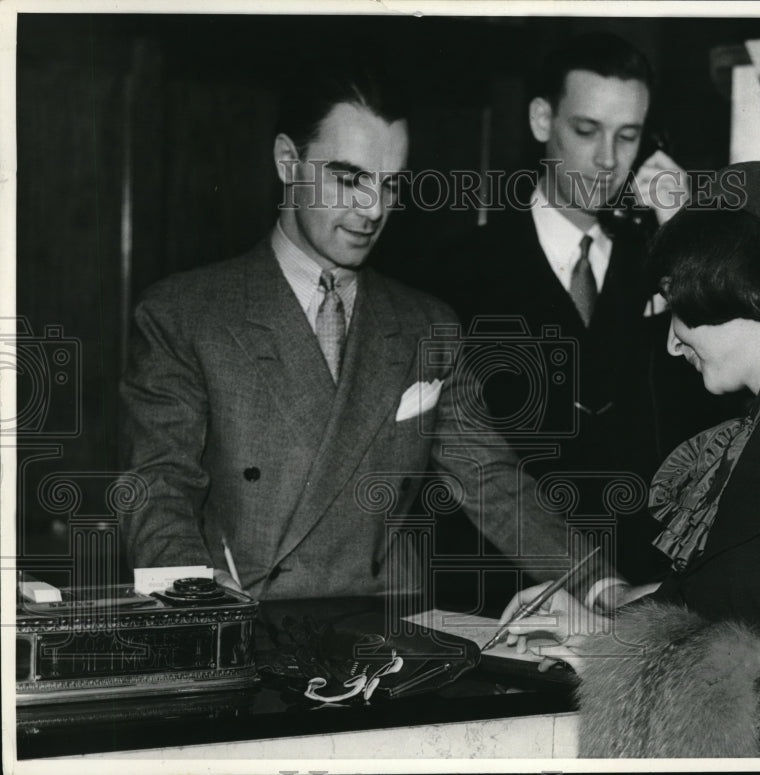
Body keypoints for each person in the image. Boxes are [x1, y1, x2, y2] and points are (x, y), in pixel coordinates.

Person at [503, 161, 760, 757]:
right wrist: (598, 631)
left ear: (736, 285)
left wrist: (623, 663)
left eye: (679, 306)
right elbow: (735, 607)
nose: (673, 341)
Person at [118, 62, 580, 601]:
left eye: (389, 184)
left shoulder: (426, 325)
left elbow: (492, 481)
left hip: (389, 632)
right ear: (288, 161)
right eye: (349, 179)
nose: (374, 209)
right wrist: (193, 589)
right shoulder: (185, 314)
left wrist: (597, 584)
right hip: (246, 621)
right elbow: (158, 485)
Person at [428, 32, 736, 586]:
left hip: (642, 584)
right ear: (541, 119)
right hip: (502, 585)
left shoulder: (663, 259)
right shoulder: (457, 271)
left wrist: (689, 243)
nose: (607, 160)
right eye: (586, 130)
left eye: (627, 136)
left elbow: (722, 411)